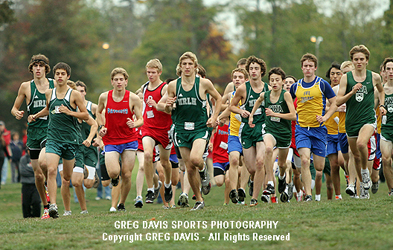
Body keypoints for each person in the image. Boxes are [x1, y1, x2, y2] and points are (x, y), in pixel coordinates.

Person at [28, 62, 89, 218]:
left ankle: (83, 169)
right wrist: (36, 115)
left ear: (68, 76)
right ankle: (53, 206)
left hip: (70, 140)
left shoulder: (74, 94)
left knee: (67, 177)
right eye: (57, 74)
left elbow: (85, 115)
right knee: (52, 169)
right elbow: (48, 109)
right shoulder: (50, 93)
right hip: (53, 138)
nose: (60, 76)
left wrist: (70, 112)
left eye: (63, 74)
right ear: (54, 77)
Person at [164, 51, 222, 210]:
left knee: (196, 159)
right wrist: (169, 105)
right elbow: (168, 110)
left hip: (200, 127)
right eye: (184, 64)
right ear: (180, 67)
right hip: (181, 129)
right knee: (188, 167)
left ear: (196, 67)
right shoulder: (173, 85)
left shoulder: (204, 83)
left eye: (190, 64)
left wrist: (214, 116)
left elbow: (219, 98)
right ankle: (199, 200)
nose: (187, 67)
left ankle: (204, 173)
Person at [336, 45, 386, 199]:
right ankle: (362, 183)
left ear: (366, 61)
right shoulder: (346, 78)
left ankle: (365, 172)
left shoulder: (374, 77)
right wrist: (352, 92)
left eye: (361, 59)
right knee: (355, 156)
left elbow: (381, 90)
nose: (359, 62)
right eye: (356, 59)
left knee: (361, 144)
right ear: (352, 60)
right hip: (351, 122)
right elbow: (338, 100)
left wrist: (382, 105)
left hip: (368, 119)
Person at [10, 54, 54, 219]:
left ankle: (53, 201)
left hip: (50, 130)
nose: (37, 68)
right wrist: (18, 113)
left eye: (41, 66)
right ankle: (46, 206)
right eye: (35, 65)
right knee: (37, 174)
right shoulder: (26, 87)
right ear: (31, 68)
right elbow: (14, 108)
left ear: (45, 68)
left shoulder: (53, 85)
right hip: (33, 132)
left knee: (45, 163)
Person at [289, 53, 337, 201]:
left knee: (319, 167)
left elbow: (335, 103)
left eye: (311, 66)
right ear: (302, 68)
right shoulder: (295, 87)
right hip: (302, 129)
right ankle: (308, 194)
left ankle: (312, 190)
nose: (308, 68)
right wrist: (292, 113)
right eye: (305, 66)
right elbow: (287, 102)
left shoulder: (322, 84)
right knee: (304, 160)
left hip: (319, 129)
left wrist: (325, 117)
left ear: (315, 68)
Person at [97, 67, 143, 212]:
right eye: (116, 80)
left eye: (121, 79)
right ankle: (115, 180)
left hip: (129, 140)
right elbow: (98, 112)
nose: (118, 82)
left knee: (127, 174)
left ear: (126, 82)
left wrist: (134, 124)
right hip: (111, 139)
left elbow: (141, 119)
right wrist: (102, 126)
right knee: (113, 172)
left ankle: (121, 203)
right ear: (112, 82)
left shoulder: (133, 98)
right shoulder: (104, 97)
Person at [249, 67, 296, 203]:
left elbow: (293, 116)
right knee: (268, 149)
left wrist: (275, 114)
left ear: (282, 82)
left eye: (277, 80)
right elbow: (258, 100)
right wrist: (251, 115)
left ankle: (281, 177)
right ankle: (270, 182)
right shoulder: (266, 94)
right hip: (270, 131)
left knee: (282, 164)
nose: (274, 83)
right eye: (272, 80)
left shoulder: (286, 95)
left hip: (284, 134)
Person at [229, 55, 270, 206]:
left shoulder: (267, 89)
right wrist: (241, 112)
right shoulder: (242, 88)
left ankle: (254, 198)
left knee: (260, 162)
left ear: (261, 71)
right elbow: (231, 106)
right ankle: (255, 181)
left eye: (256, 69)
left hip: (263, 128)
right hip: (247, 129)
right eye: (251, 68)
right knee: (252, 168)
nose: (253, 71)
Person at [140, 59, 173, 204]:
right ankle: (150, 189)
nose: (150, 75)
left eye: (153, 72)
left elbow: (170, 108)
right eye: (148, 72)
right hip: (148, 127)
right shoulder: (145, 87)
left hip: (164, 129)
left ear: (159, 72)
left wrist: (158, 105)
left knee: (165, 162)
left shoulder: (165, 88)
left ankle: (167, 184)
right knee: (147, 155)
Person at [218, 68, 249, 204]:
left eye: (240, 77)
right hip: (234, 134)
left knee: (247, 163)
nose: (237, 79)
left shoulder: (251, 94)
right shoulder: (231, 96)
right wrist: (217, 119)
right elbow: (227, 110)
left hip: (248, 134)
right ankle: (234, 192)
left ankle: (242, 189)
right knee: (234, 160)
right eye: (235, 77)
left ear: (246, 80)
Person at [380, 57, 393, 196]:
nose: (391, 72)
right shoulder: (381, 90)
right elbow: (372, 107)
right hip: (385, 129)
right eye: (388, 69)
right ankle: (391, 190)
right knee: (385, 159)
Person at [20, 150, 41, 218]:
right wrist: (35, 171)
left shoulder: (39, 159)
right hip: (26, 184)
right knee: (25, 203)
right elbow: (22, 171)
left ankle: (36, 216)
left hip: (36, 184)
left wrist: (34, 170)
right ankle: (26, 217)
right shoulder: (23, 159)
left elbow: (40, 170)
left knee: (36, 201)